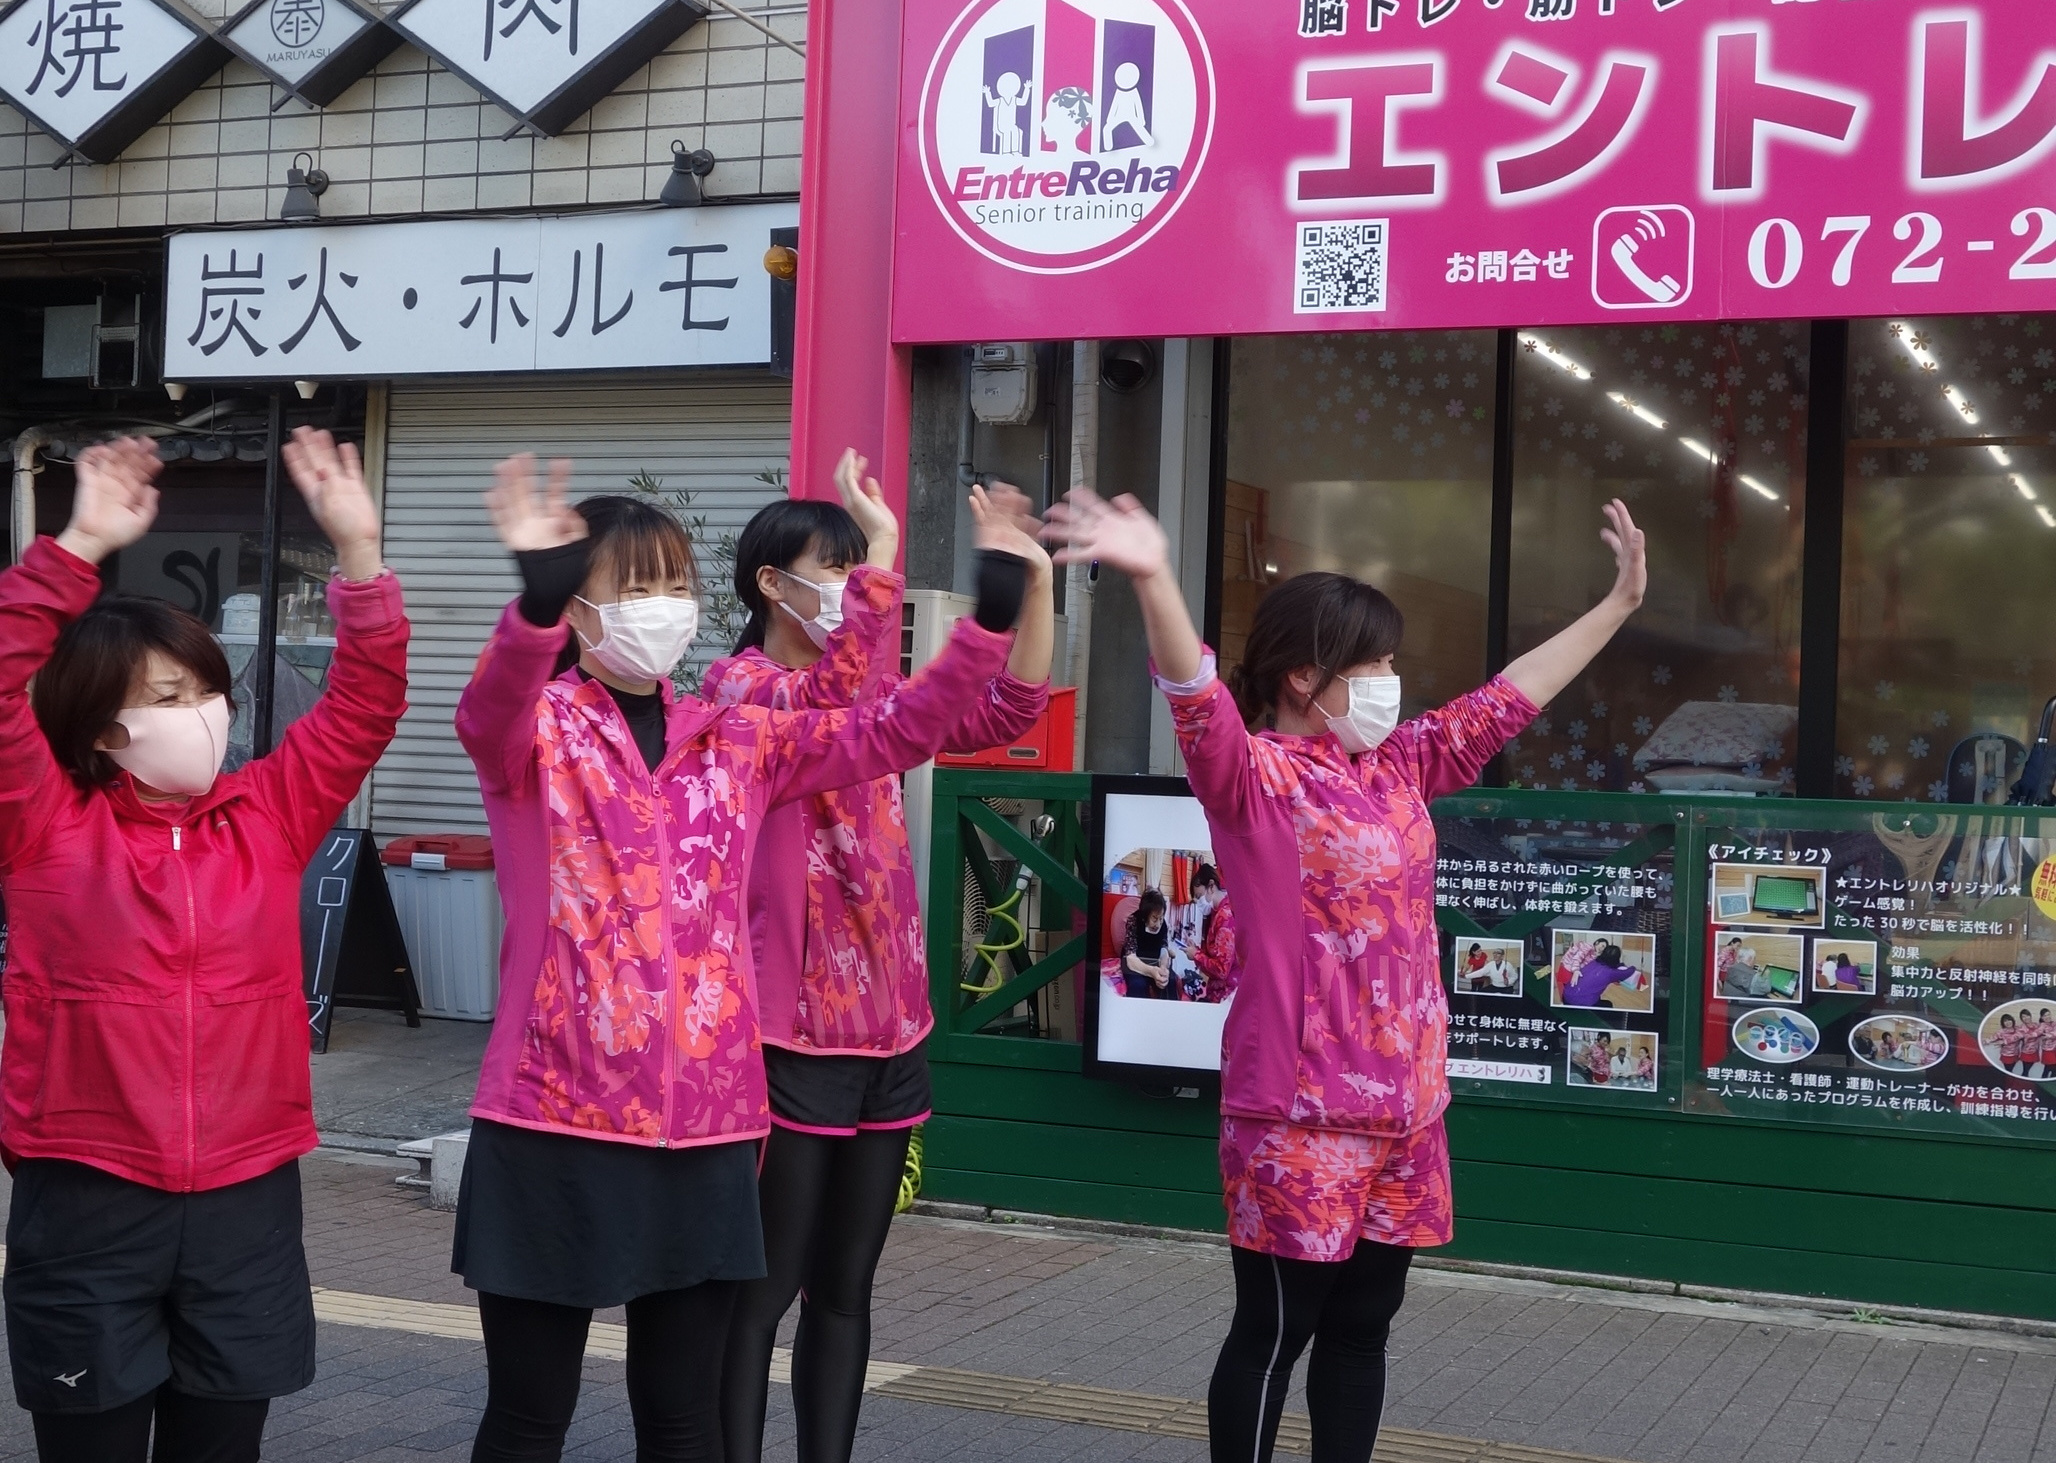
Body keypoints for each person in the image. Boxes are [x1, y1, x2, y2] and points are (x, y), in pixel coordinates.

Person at [451, 453, 1050, 1463]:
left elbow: (895, 727)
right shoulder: (538, 735)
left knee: (684, 1419)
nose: (663, 606)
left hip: (709, 1128)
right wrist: (533, 611)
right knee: (528, 1417)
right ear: (579, 607)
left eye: (674, 583)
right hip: (555, 1118)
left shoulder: (734, 737)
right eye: (635, 586)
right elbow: (490, 705)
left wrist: (992, 615)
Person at [1042, 485, 1644, 1463]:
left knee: (1364, 1327)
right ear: (1302, 674)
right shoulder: (1255, 778)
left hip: (1408, 1107)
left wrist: (1616, 604)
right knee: (1275, 1330)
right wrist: (1153, 577)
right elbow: (1193, 694)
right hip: (1299, 1110)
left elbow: (1506, 699)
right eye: (1375, 664)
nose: (1392, 681)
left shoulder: (1398, 765)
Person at [0, 431, 406, 1463]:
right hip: (86, 1191)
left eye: (208, 689)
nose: (206, 715)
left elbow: (365, 701)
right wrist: (77, 547)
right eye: (168, 697)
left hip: (246, 1197)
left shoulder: (268, 811)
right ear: (102, 726)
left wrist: (360, 556)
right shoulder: (44, 820)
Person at [707, 455, 1052, 1463]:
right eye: (839, 569)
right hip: (792, 1031)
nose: (857, 588)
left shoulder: (875, 689)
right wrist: (890, 549)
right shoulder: (741, 691)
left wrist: (1031, 583)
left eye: (861, 571)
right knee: (762, 1287)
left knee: (846, 1286)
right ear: (771, 582)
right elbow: (831, 693)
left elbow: (1006, 709)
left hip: (891, 1026)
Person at [1187, 863, 1238, 1003]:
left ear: (1211, 886)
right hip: (1217, 993)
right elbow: (1216, 955)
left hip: (1226, 996)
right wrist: (1197, 950)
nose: (1198, 902)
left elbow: (1222, 969)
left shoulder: (1225, 917)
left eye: (1199, 896)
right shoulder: (1216, 915)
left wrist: (1196, 955)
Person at [1122, 889, 1175, 998]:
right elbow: (1130, 958)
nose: (1158, 924)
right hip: (1136, 964)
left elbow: (1164, 948)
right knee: (1138, 985)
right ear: (1145, 915)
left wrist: (1163, 967)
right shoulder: (1133, 921)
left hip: (1155, 962)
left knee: (1170, 981)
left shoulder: (1163, 924)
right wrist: (1151, 971)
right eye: (1154, 919)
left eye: (1161, 918)